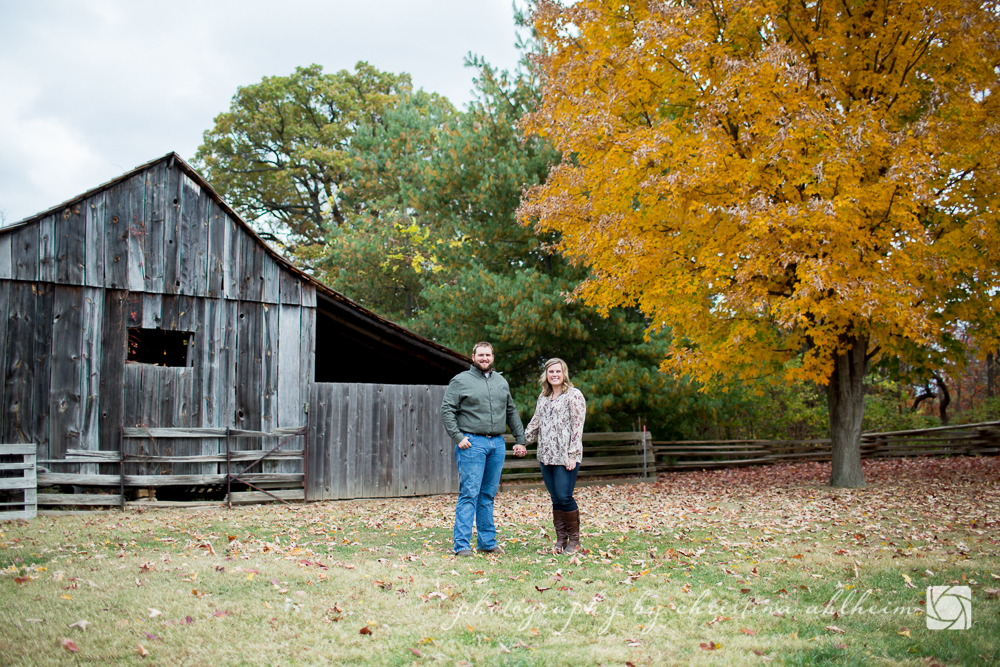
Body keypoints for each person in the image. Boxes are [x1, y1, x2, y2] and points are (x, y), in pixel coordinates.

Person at [440, 341, 527, 557]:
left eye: (488, 355)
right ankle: (461, 545)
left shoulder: (501, 381)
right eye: (481, 355)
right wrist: (458, 437)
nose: (484, 358)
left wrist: (520, 438)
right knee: (469, 493)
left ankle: (487, 542)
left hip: (496, 444)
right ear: (473, 357)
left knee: (488, 494)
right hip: (472, 443)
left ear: (493, 357)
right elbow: (446, 410)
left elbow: (511, 410)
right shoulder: (460, 381)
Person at [523, 358, 586, 554]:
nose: (555, 375)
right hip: (545, 456)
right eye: (551, 372)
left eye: (558, 371)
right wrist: (521, 441)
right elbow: (535, 423)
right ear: (546, 375)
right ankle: (561, 539)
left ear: (564, 373)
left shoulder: (574, 396)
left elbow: (578, 427)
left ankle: (574, 541)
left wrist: (573, 454)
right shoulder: (543, 397)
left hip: (565, 456)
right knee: (555, 499)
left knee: (564, 496)